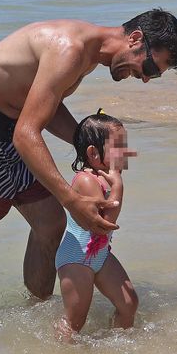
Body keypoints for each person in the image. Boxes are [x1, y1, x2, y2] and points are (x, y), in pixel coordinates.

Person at [0, 10, 177, 330]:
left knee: (49, 223)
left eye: (152, 76)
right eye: (149, 68)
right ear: (135, 40)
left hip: (11, 125)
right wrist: (72, 200)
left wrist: (87, 146)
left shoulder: (88, 55)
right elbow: (26, 134)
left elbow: (44, 103)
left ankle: (36, 311)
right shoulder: (70, 49)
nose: (145, 79)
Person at [55, 111, 137, 341]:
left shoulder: (106, 177)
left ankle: (114, 345)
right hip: (77, 258)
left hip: (99, 254)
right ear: (93, 153)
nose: (126, 153)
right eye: (118, 147)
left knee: (129, 303)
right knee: (75, 322)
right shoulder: (86, 180)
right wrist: (118, 189)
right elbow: (104, 226)